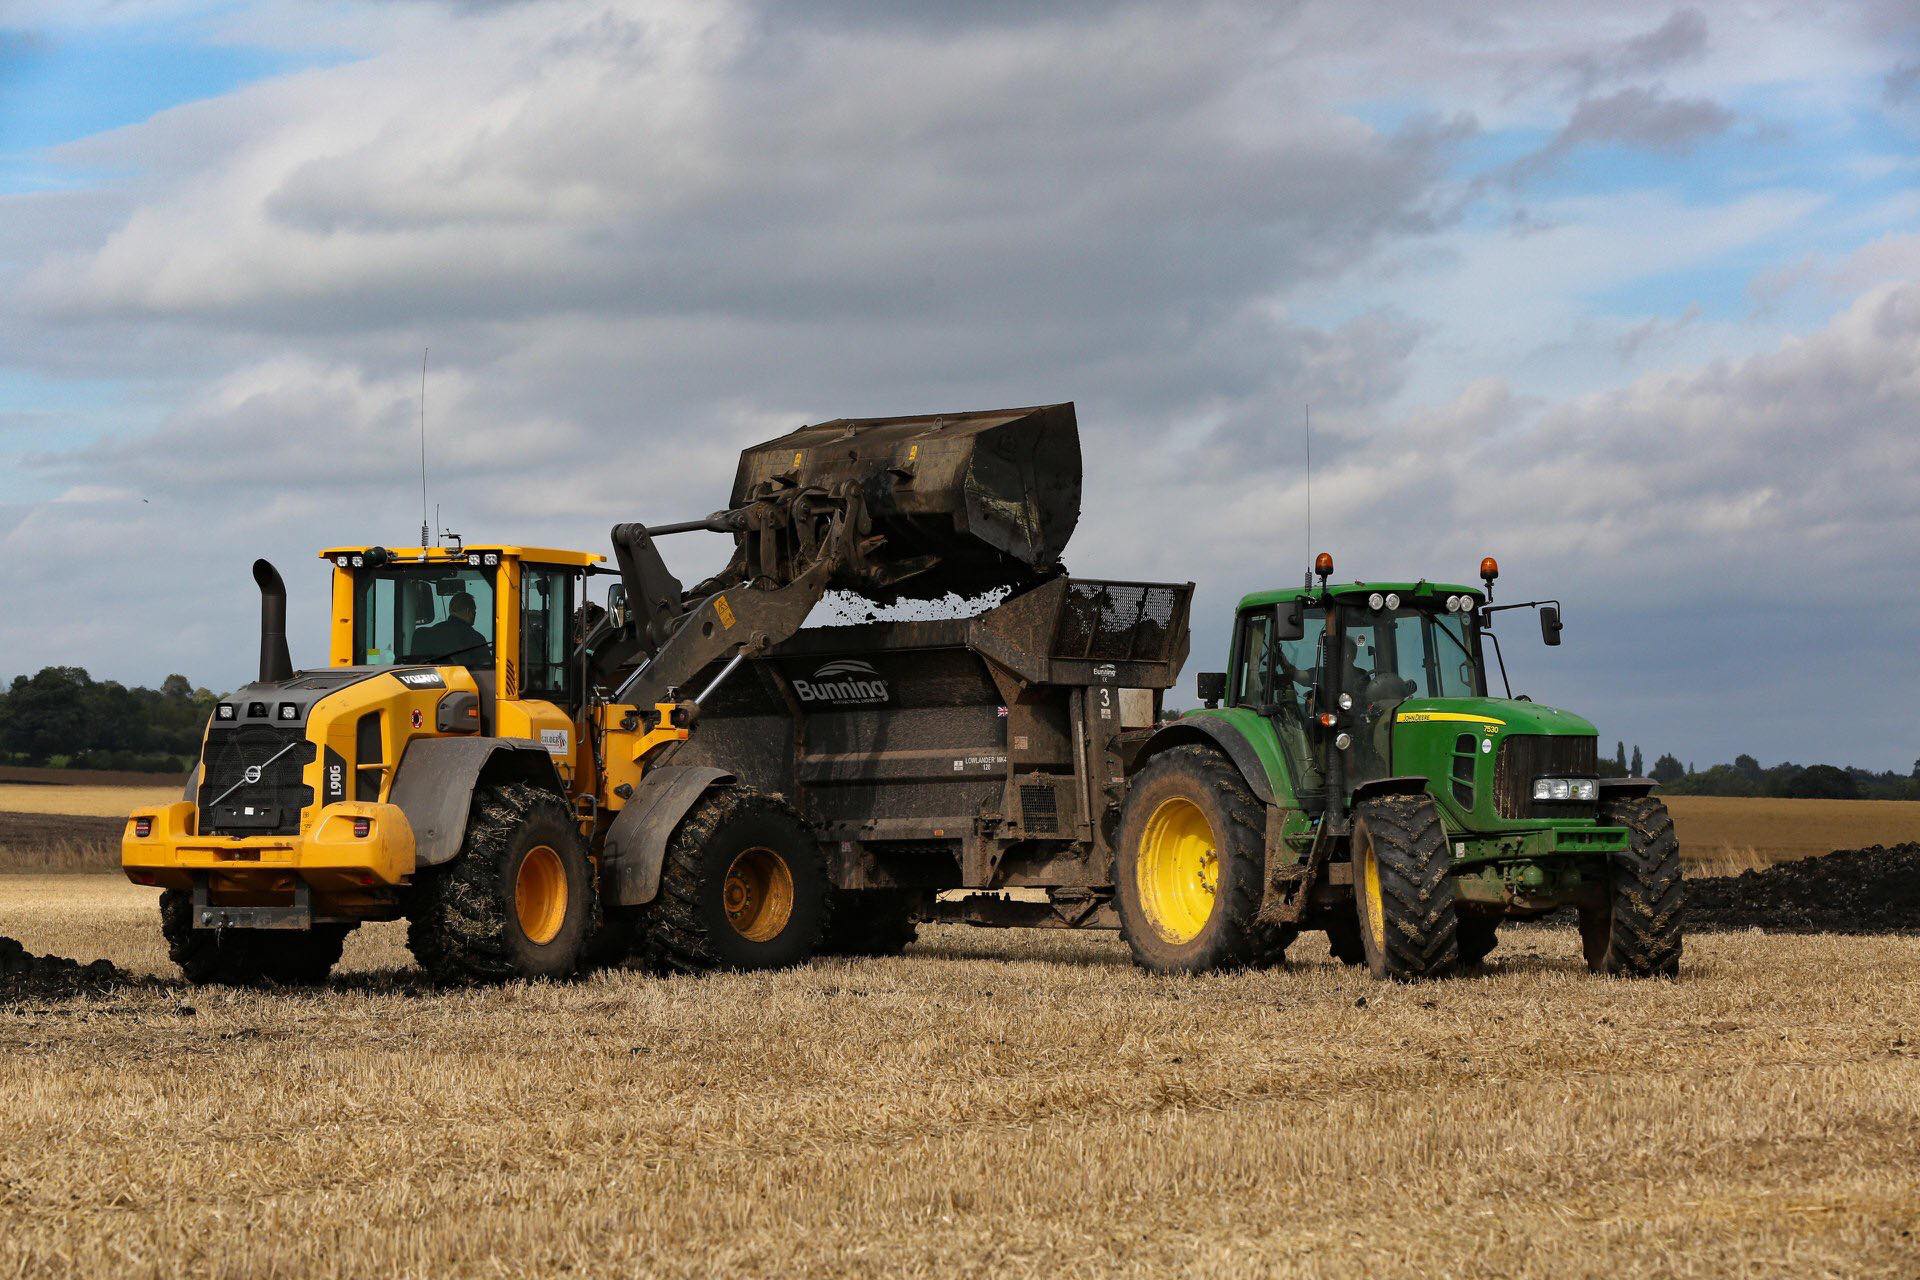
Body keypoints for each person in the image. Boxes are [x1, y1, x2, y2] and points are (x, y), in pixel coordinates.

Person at [410, 591, 490, 664]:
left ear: (451, 610)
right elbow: (487, 669)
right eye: (474, 611)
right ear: (468, 611)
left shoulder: (423, 634)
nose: (475, 614)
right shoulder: (476, 638)